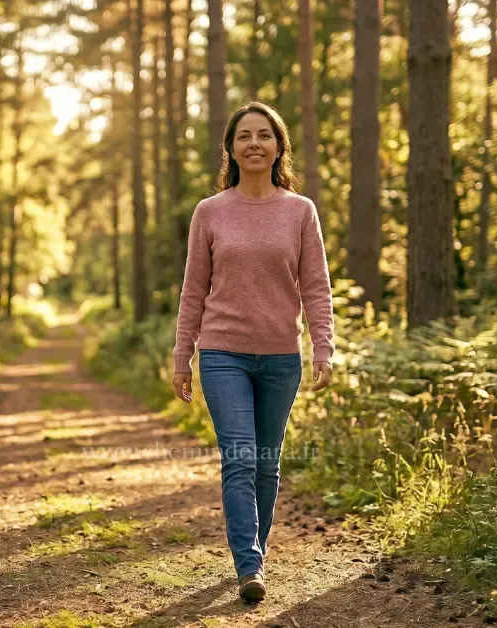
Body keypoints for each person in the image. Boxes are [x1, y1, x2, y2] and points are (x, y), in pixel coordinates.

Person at [170, 101, 334, 604]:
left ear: (279, 146)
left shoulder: (300, 211)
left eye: (265, 135)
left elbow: (316, 286)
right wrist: (183, 355)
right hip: (223, 354)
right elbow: (194, 289)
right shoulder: (210, 212)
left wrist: (323, 346)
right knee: (240, 458)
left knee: (266, 461)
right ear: (231, 148)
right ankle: (250, 565)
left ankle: (253, 551)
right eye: (245, 136)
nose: (255, 143)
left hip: (281, 355)